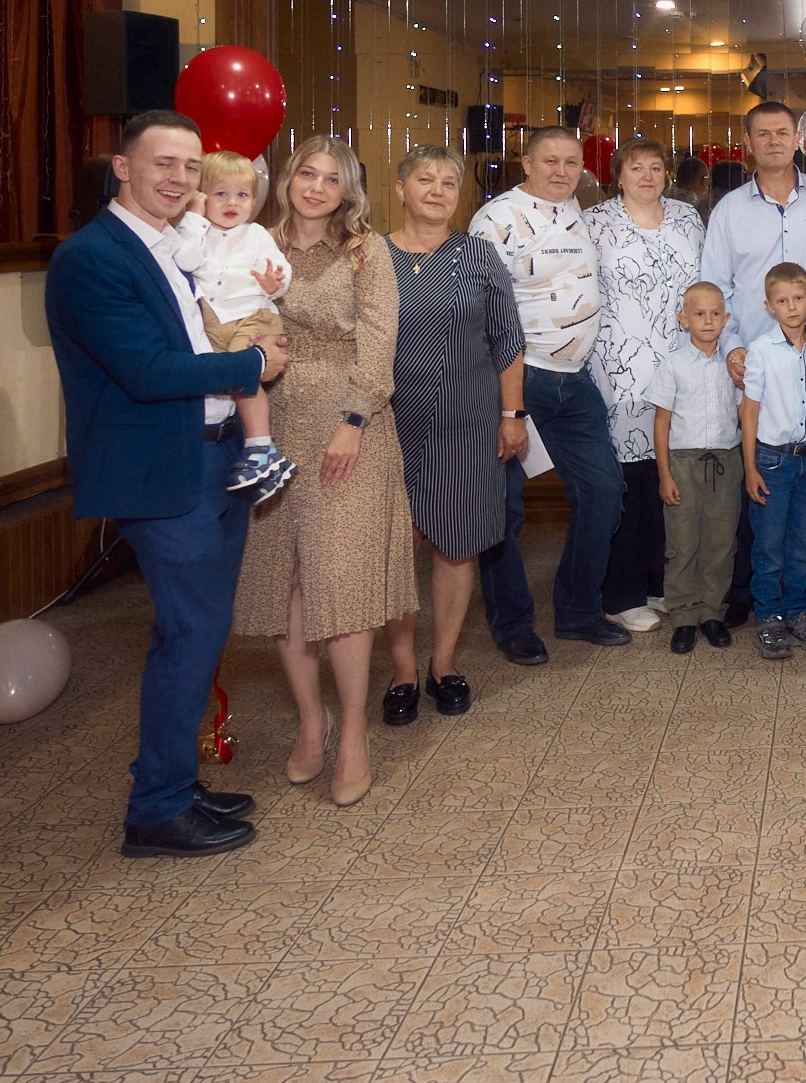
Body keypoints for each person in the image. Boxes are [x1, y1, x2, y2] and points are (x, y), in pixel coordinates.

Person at [45, 109, 285, 858]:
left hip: (217, 458)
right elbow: (149, 372)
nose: (179, 178)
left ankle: (173, 781)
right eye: (162, 164)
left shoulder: (175, 246)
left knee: (193, 632)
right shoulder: (92, 257)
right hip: (161, 468)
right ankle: (155, 810)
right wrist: (254, 365)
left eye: (189, 165)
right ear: (122, 166)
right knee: (191, 631)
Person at [235, 136, 421, 808]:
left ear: (348, 190)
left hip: (353, 429)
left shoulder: (366, 251)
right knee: (290, 586)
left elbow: (381, 341)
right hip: (274, 422)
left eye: (331, 178)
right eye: (307, 173)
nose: (316, 186)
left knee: (341, 583)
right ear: (288, 179)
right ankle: (310, 724)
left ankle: (353, 735)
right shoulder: (251, 244)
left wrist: (354, 420)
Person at [377, 146, 526, 727]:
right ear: (400, 187)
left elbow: (507, 342)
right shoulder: (371, 257)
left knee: (456, 545)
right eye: (424, 179)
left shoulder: (480, 256)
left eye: (448, 182)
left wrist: (513, 415)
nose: (437, 191)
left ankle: (441, 664)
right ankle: (401, 670)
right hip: (388, 428)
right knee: (395, 552)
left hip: (468, 424)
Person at [469, 127, 631, 650]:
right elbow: (485, 316)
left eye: (570, 162)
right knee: (505, 508)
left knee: (604, 492)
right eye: (549, 161)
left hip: (573, 383)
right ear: (526, 162)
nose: (561, 172)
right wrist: (508, 407)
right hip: (517, 381)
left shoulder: (578, 213)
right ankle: (512, 625)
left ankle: (578, 611)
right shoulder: (494, 220)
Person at [700, 100, 806, 620]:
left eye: (782, 132)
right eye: (762, 134)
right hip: (753, 366)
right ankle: (751, 596)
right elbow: (717, 286)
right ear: (748, 144)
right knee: (759, 475)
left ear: (797, 140)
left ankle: (805, 598)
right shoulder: (729, 210)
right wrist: (732, 346)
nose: (772, 141)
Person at [583, 137, 707, 633]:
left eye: (656, 167)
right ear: (618, 175)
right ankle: (621, 592)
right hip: (620, 368)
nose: (648, 176)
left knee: (670, 478)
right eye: (637, 168)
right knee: (629, 484)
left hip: (680, 362)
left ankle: (662, 582)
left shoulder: (686, 218)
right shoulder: (594, 223)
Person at [169, 150, 298, 500]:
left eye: (242, 195)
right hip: (215, 320)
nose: (232, 203)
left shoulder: (256, 234)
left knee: (242, 372)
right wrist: (194, 218)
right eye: (220, 194)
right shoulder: (193, 232)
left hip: (253, 314)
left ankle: (260, 445)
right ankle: (256, 452)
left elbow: (281, 270)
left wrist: (276, 283)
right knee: (216, 376)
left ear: (254, 201)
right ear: (201, 197)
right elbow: (185, 259)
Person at [739, 262, 806, 656]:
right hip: (772, 462)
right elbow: (750, 410)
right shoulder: (761, 351)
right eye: (782, 301)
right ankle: (769, 617)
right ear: (769, 306)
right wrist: (750, 467)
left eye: (798, 298)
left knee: (802, 544)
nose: (792, 307)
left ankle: (799, 612)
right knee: (769, 545)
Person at [656, 281, 741, 653]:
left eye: (715, 314)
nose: (707, 321)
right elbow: (661, 421)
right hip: (684, 463)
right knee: (683, 543)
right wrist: (664, 474)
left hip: (726, 462)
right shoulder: (673, 364)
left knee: (721, 543)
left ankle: (712, 613)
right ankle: (684, 616)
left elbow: (745, 413)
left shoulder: (735, 367)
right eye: (699, 314)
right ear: (683, 319)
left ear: (726, 318)